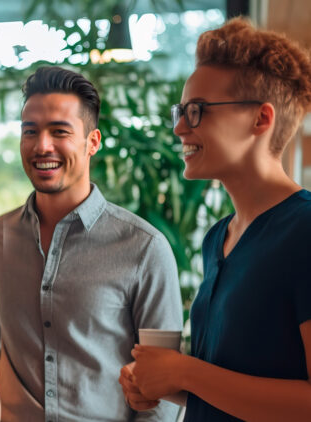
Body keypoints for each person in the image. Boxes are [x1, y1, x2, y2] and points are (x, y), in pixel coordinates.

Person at [119, 17, 311, 421]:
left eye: (197, 111)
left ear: (261, 119)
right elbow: (233, 390)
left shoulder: (304, 230)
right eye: (182, 110)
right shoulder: (217, 238)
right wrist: (168, 385)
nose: (179, 127)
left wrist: (186, 371)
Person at [0, 66, 183, 421]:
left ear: (93, 142)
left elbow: (163, 388)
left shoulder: (145, 248)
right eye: (30, 132)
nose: (42, 146)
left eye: (59, 131)